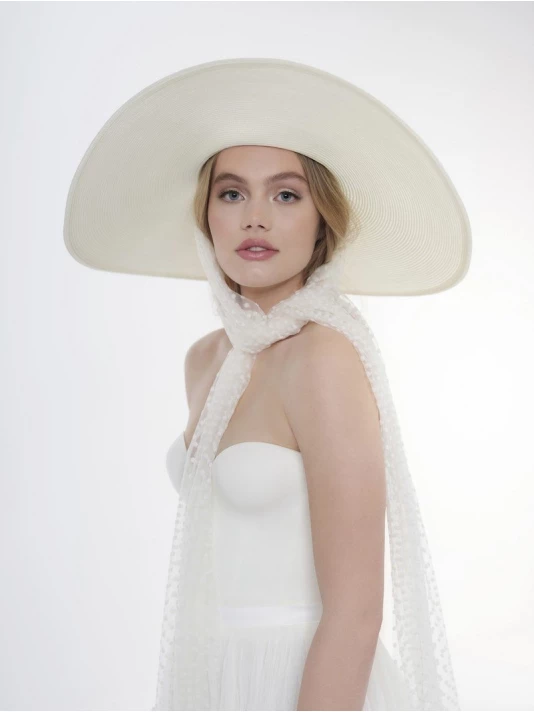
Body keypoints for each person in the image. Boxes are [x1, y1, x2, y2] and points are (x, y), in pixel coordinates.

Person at [63, 58, 471, 710]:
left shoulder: (324, 355)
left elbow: (356, 613)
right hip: (216, 680)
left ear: (322, 220)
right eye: (232, 194)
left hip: (311, 681)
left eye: (286, 195)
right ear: (206, 215)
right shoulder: (208, 358)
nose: (255, 218)